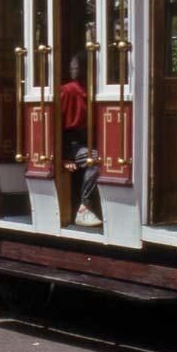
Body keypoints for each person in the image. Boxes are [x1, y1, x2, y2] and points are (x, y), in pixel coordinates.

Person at [60, 50, 101, 227]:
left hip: (86, 142)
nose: (74, 71)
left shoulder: (94, 90)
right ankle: (84, 208)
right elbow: (55, 127)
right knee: (95, 158)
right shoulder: (68, 91)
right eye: (73, 68)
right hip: (72, 145)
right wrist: (61, 157)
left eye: (77, 68)